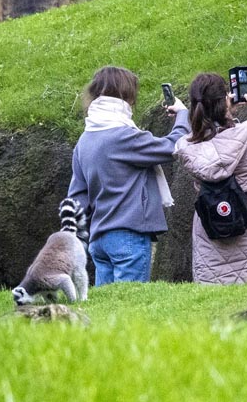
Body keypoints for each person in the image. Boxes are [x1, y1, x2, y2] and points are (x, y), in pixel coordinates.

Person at [68, 66, 189, 285]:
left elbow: (77, 199)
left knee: (106, 311)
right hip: (128, 236)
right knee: (130, 308)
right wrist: (183, 115)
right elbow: (174, 146)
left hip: (99, 239)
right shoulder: (123, 136)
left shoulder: (84, 141)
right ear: (126, 97)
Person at [174, 72, 247, 284]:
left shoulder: (186, 147)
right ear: (224, 101)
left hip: (210, 236)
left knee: (215, 309)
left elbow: (206, 136)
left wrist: (221, 115)